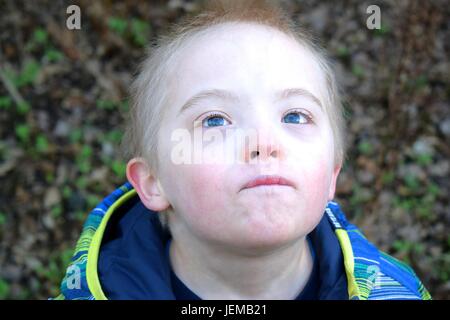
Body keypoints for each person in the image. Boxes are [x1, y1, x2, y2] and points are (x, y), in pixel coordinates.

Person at [54, 0, 431, 300]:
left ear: (333, 173)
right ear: (153, 182)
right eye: (215, 120)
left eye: (296, 116)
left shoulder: (396, 292)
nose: (264, 143)